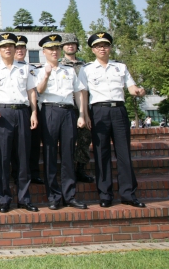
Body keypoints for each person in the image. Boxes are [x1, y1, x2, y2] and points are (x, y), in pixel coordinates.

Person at [78, 32, 146, 208]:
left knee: (124, 154)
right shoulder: (87, 69)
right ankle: (105, 194)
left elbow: (131, 88)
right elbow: (83, 93)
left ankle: (128, 193)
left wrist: (139, 91)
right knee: (102, 154)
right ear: (93, 49)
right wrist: (84, 114)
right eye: (98, 46)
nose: (102, 48)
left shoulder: (120, 67)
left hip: (119, 111)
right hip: (99, 111)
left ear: (110, 47)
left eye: (105, 45)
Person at [0, 33, 39, 213]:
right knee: (3, 157)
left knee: (23, 157)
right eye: (4, 46)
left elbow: (31, 92)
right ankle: (4, 198)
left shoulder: (25, 68)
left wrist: (34, 112)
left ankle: (24, 198)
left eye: (11, 46)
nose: (8, 49)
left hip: (22, 112)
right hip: (3, 113)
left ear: (16, 49)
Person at [35, 35, 88, 210]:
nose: (54, 52)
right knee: (50, 155)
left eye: (56, 48)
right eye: (50, 49)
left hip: (68, 112)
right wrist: (47, 75)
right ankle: (53, 196)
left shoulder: (69, 70)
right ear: (44, 52)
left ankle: (69, 195)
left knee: (68, 154)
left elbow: (79, 93)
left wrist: (81, 114)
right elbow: (39, 91)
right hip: (49, 110)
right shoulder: (39, 70)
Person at [59, 33, 95, 183]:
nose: (70, 46)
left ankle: (80, 168)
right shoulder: (60, 64)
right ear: (62, 48)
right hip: (66, 106)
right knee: (66, 140)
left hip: (83, 106)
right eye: (67, 44)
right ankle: (67, 169)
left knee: (84, 138)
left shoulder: (85, 66)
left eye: (73, 44)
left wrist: (85, 112)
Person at [13, 36, 44, 185]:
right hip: (14, 109)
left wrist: (34, 112)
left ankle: (34, 172)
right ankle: (16, 172)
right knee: (15, 145)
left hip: (31, 109)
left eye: (22, 48)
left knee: (33, 143)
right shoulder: (4, 68)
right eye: (17, 48)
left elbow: (37, 90)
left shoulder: (33, 69)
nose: (19, 50)